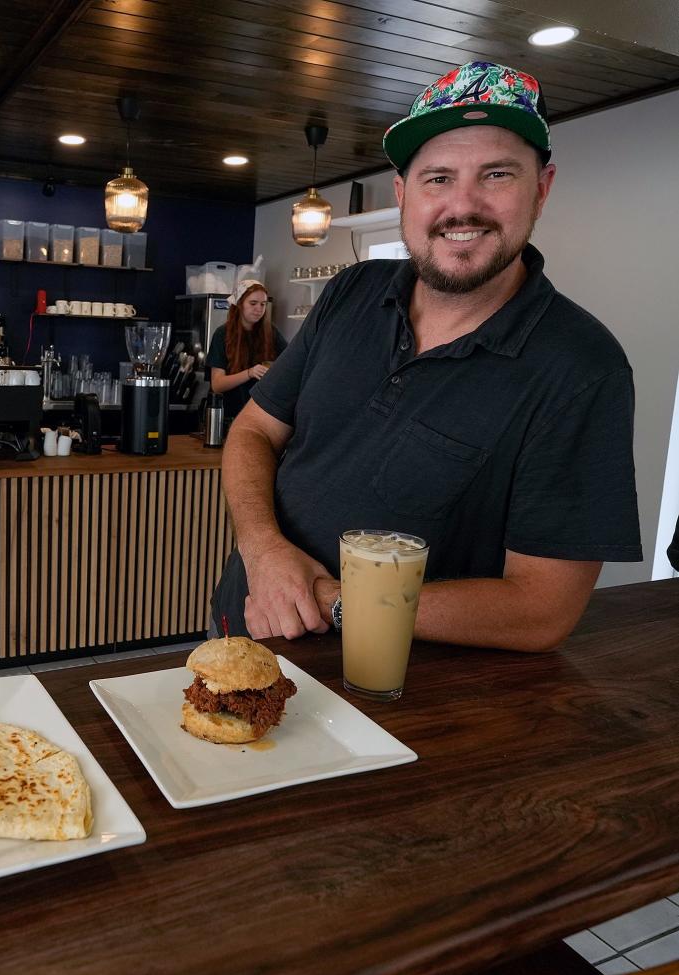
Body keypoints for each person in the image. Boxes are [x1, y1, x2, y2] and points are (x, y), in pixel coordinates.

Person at [210, 61, 641, 653]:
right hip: (244, 624)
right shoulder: (351, 291)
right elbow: (254, 429)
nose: (462, 206)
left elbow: (542, 609)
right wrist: (263, 552)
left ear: (541, 189)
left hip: (405, 697)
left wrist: (331, 599)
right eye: (438, 177)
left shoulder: (581, 367)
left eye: (496, 174)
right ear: (403, 193)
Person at [207, 281, 286, 422]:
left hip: (261, 416)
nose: (259, 309)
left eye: (263, 304)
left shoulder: (271, 333)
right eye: (253, 303)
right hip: (228, 417)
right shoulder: (222, 334)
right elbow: (217, 385)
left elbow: (290, 361)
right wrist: (250, 373)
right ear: (239, 304)